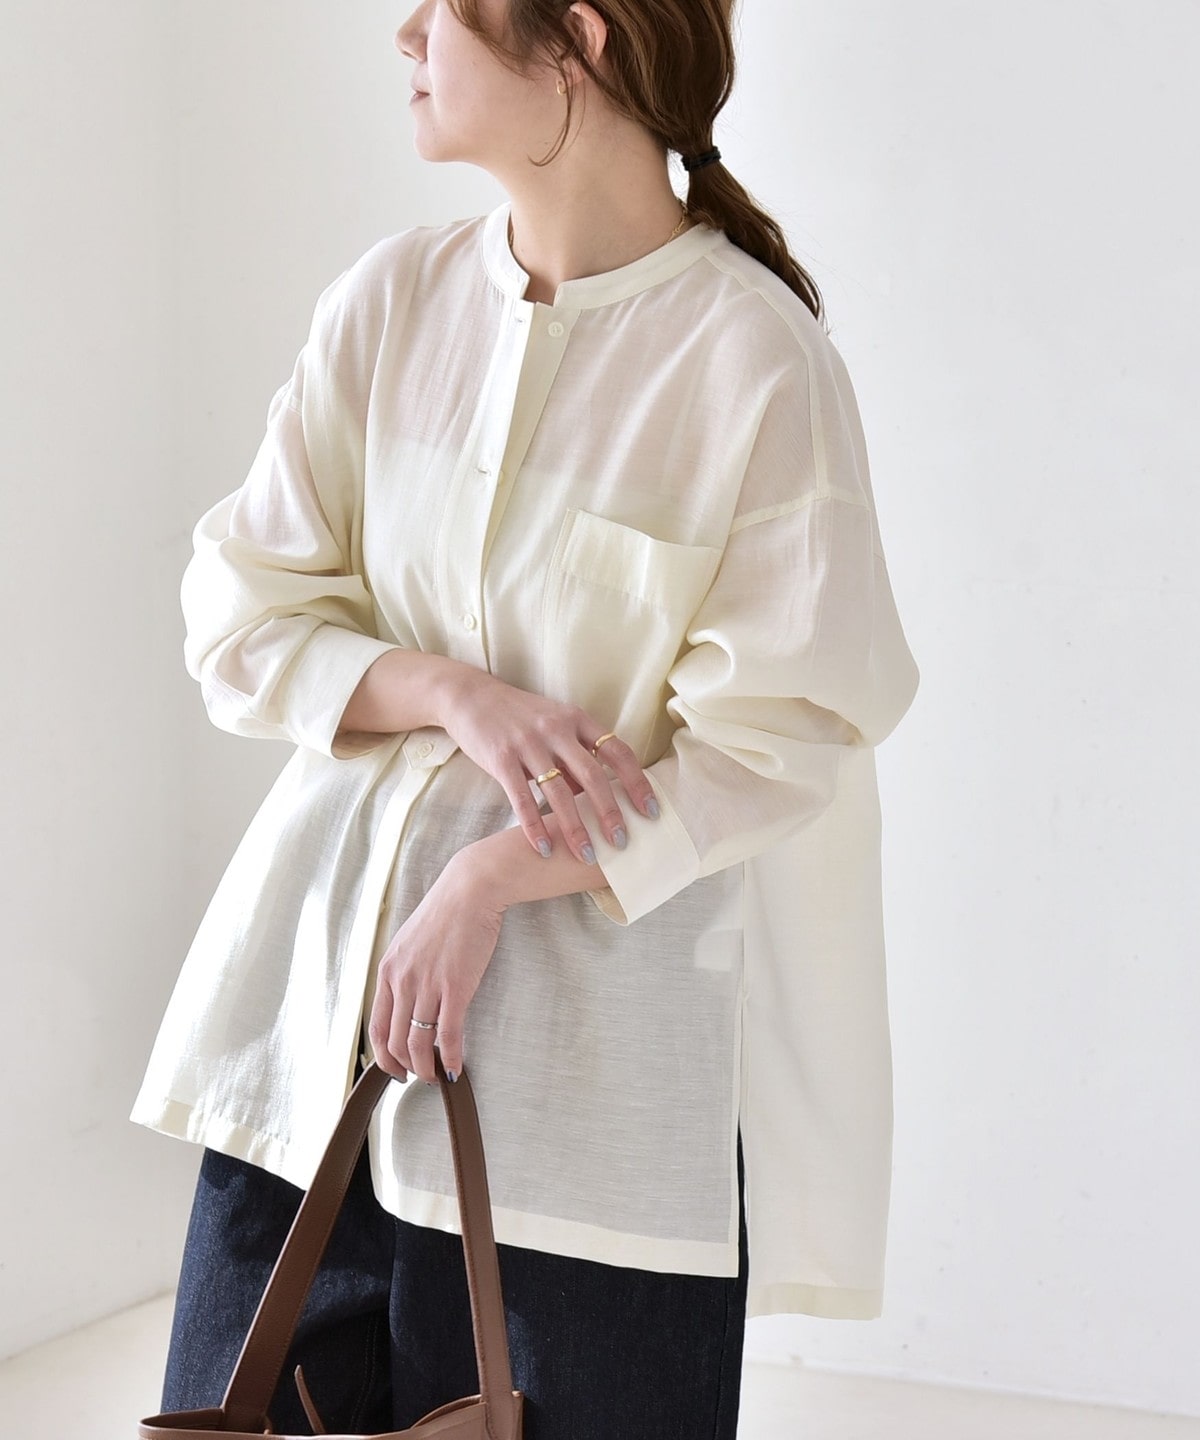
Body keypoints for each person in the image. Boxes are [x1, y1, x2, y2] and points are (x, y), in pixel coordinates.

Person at [131, 0, 921, 1435]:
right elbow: (240, 617)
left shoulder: (751, 361)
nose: (406, 33)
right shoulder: (389, 305)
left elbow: (783, 735)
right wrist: (455, 694)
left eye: (446, 5)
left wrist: (493, 875)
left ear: (584, 39)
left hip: (592, 1110)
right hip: (320, 1044)